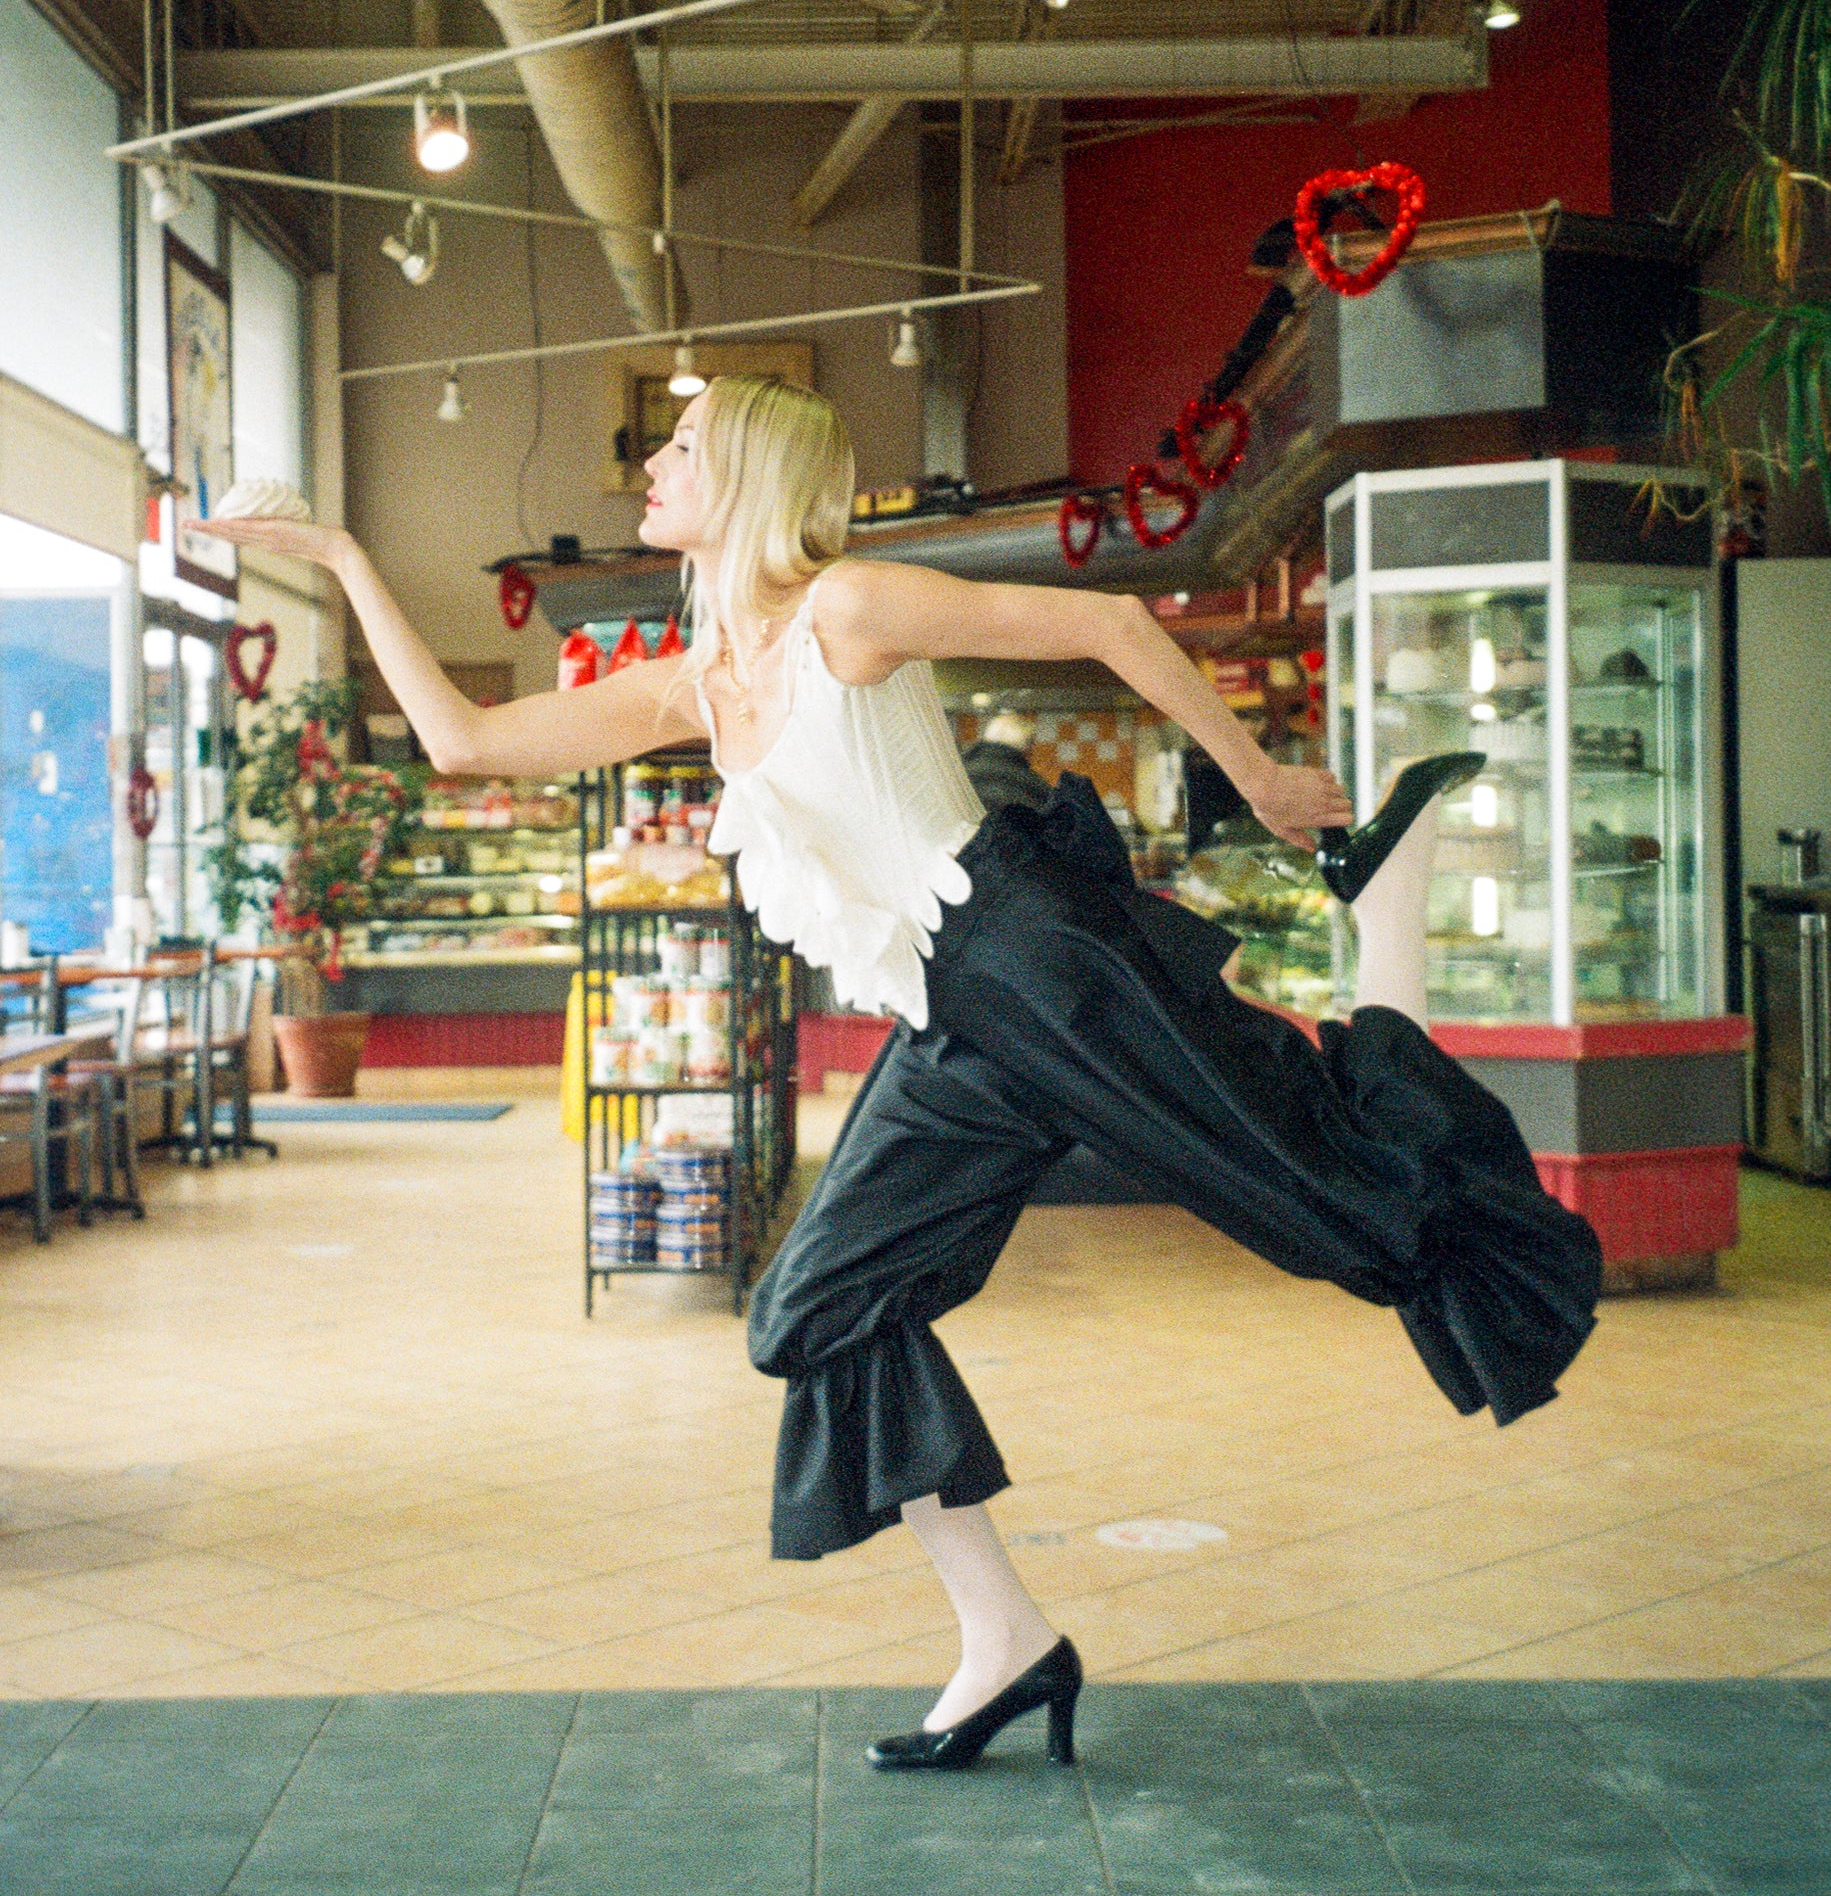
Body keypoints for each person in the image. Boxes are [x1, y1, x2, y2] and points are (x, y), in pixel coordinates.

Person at [199, 375, 1601, 1773]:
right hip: (954, 1022)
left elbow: (1111, 621)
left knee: (1343, 1220)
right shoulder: (697, 683)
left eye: (679, 449)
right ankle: (1008, 1642)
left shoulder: (846, 609)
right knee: (815, 1307)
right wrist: (342, 562)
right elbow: (464, 741)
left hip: (1044, 965)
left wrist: (1267, 778)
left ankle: (1388, 906)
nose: (652, 470)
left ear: (745, 474)